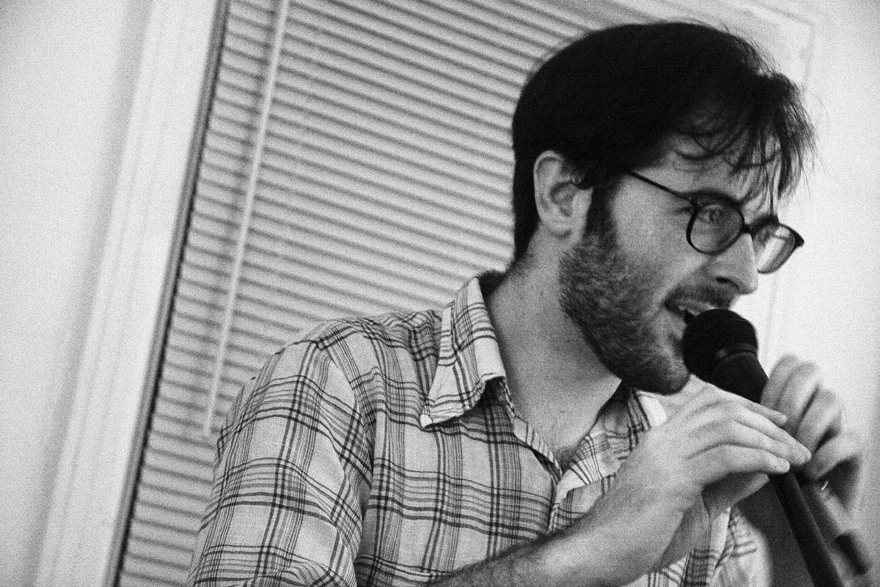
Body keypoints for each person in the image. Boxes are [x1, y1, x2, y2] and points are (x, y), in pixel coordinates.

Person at [188, 21, 864, 586]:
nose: (744, 276)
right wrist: (582, 556)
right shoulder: (332, 384)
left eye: (759, 234)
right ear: (564, 195)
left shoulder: (708, 488)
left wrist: (793, 555)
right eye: (709, 212)